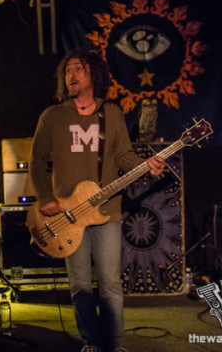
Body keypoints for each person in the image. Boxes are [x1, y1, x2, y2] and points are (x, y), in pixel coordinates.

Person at [29, 47, 166, 352]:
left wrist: (148, 165)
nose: (71, 74)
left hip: (107, 211)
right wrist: (45, 199)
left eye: (78, 68)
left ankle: (115, 345)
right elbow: (37, 161)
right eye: (67, 70)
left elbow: (125, 156)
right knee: (79, 285)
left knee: (110, 285)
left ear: (94, 74)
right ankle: (91, 342)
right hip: (66, 214)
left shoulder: (112, 113)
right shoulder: (52, 116)